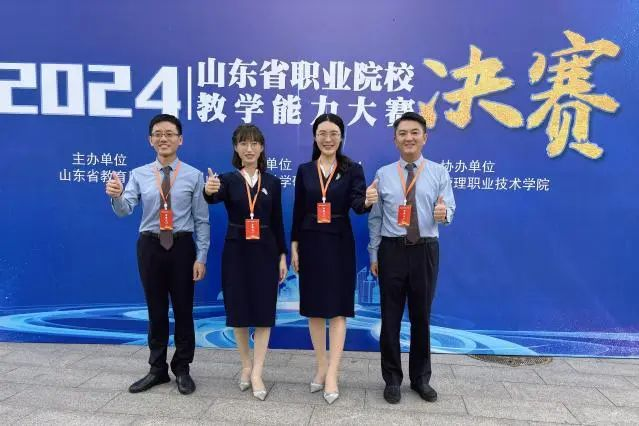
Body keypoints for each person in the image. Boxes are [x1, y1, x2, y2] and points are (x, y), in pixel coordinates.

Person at [106, 114, 210, 395]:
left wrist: (201, 256)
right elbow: (125, 209)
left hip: (182, 246)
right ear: (150, 140)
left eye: (169, 133)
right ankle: (157, 369)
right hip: (150, 246)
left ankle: (182, 368)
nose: (164, 138)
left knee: (184, 310)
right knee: (156, 310)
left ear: (180, 139)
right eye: (158, 134)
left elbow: (201, 220)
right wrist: (116, 195)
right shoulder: (139, 174)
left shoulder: (194, 175)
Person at [368, 111, 455, 404]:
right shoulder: (383, 174)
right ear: (395, 140)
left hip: (425, 250)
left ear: (424, 138)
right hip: (391, 250)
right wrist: (374, 253)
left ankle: (420, 379)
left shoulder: (439, 172)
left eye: (414, 132)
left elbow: (449, 209)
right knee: (390, 318)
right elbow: (375, 219)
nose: (409, 138)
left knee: (421, 318)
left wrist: (444, 214)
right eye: (402, 133)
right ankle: (392, 380)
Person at [291, 113, 378, 404]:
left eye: (333, 134)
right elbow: (298, 210)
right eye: (322, 133)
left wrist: (368, 200)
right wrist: (294, 245)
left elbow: (357, 204)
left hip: (339, 243)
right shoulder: (305, 170)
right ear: (315, 137)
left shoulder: (352, 169)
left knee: (338, 310)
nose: (328, 139)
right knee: (314, 309)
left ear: (341, 137)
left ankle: (333, 373)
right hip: (310, 242)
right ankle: (321, 365)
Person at [203, 124, 287, 401]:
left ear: (261, 147)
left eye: (254, 143)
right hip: (236, 251)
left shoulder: (272, 182)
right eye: (243, 143)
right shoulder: (226, 180)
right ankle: (246, 365)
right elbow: (212, 196)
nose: (249, 149)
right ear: (236, 148)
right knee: (238, 310)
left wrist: (282, 255)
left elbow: (277, 221)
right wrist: (209, 190)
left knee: (264, 311)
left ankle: (258, 371)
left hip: (266, 251)